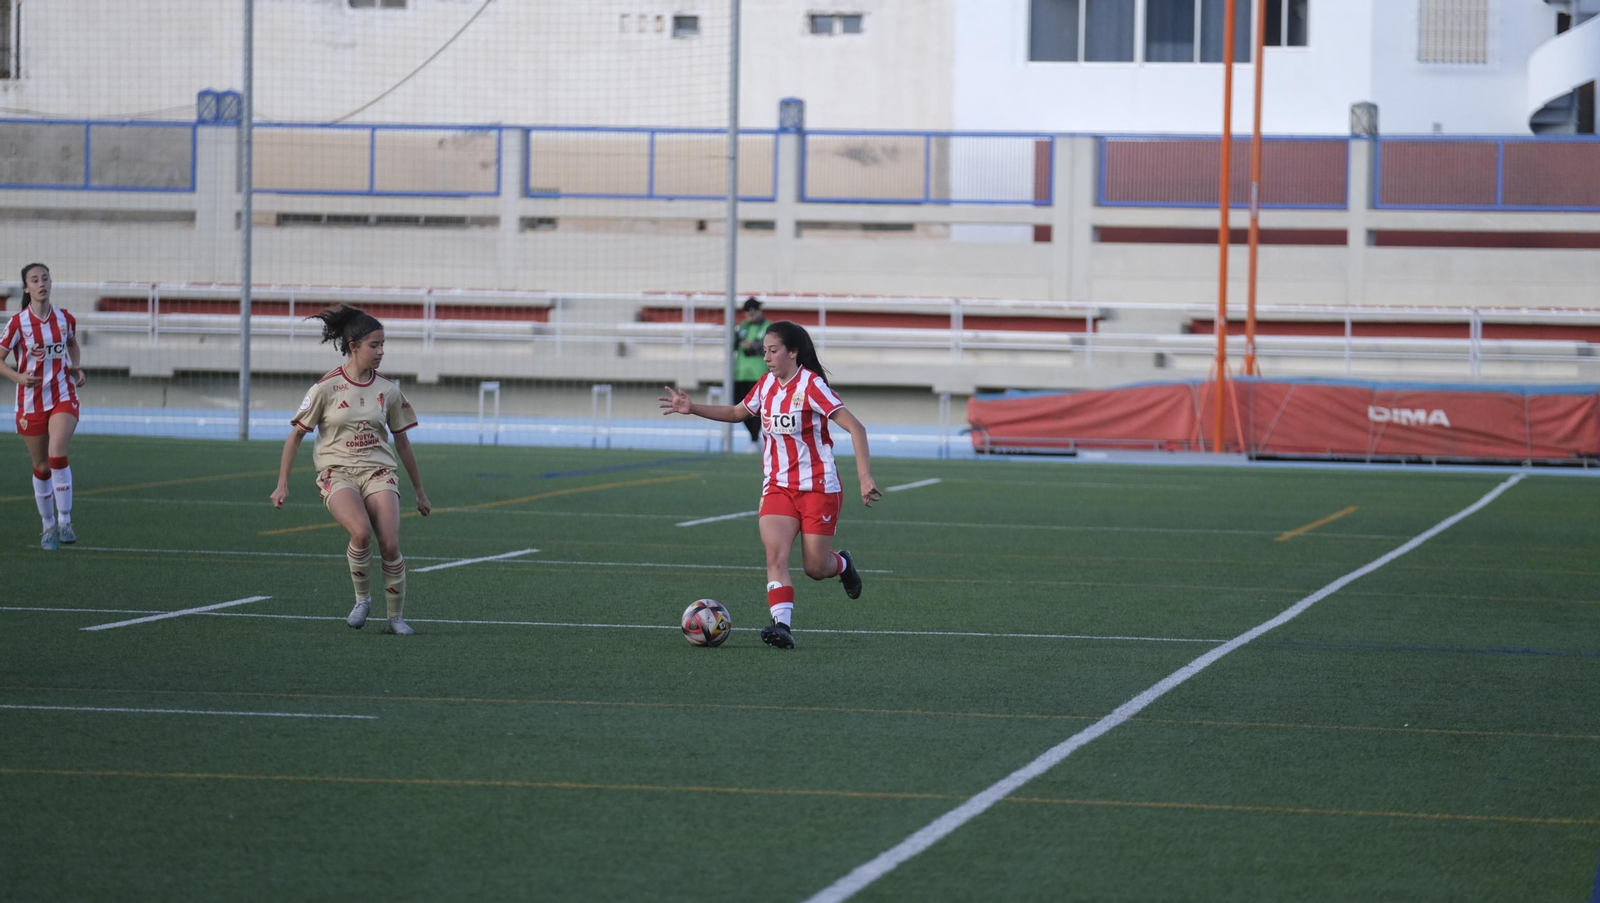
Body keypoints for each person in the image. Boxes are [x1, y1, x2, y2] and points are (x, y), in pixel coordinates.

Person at [661, 320, 881, 649]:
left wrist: (864, 477)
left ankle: (843, 564)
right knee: (775, 556)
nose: (767, 357)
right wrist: (693, 409)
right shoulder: (765, 386)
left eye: (773, 350)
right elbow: (738, 412)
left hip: (819, 487)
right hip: (777, 486)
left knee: (816, 567)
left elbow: (857, 428)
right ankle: (782, 626)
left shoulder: (812, 386)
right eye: (764, 350)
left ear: (793, 352)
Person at [270, 305, 431, 635]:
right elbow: (296, 436)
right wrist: (282, 483)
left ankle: (395, 618)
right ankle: (362, 600)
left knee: (389, 545)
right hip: (336, 472)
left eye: (384, 344)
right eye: (375, 345)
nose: (381, 351)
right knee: (360, 532)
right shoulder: (325, 388)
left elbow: (402, 443)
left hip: (379, 473)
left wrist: (419, 491)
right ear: (353, 345)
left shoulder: (388, 390)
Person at [0, 263, 85, 551]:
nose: (41, 284)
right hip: (30, 400)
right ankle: (47, 526)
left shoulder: (64, 318)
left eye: (45, 278)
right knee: (41, 466)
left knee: (57, 454)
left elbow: (72, 345)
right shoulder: (17, 323)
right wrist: (18, 376)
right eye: (34, 280)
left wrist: (76, 367)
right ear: (26, 288)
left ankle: (65, 521)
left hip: (62, 394)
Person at [731, 297, 769, 446]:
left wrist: (755, 346)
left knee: (758, 409)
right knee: (739, 406)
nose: (751, 315)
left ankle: (754, 439)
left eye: (754, 311)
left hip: (758, 374)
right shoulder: (741, 327)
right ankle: (754, 437)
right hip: (740, 374)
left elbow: (773, 347)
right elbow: (732, 345)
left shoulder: (768, 327)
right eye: (748, 312)